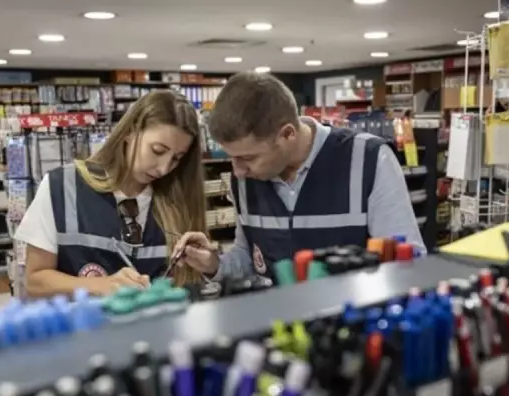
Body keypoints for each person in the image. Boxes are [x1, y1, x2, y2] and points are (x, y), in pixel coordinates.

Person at [174, 72, 424, 282]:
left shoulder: (368, 159)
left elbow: (406, 262)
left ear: (287, 134)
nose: (237, 171)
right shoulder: (244, 179)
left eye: (248, 158)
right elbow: (249, 257)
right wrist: (214, 264)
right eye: (232, 158)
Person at [15, 90, 207, 297]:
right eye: (158, 151)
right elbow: (35, 280)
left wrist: (210, 266)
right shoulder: (61, 186)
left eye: (177, 158)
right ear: (130, 132)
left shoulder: (180, 198)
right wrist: (101, 286)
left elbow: (189, 284)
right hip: (85, 326)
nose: (163, 168)